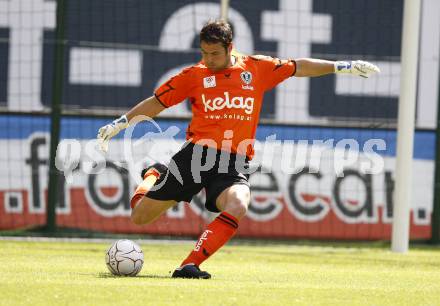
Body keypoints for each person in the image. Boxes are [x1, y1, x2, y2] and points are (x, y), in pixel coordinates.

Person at [97, 19, 379, 279]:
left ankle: (189, 265)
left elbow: (299, 66)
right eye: (204, 53)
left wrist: (340, 66)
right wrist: (120, 123)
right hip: (195, 156)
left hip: (234, 162)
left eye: (214, 54)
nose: (208, 60)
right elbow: (156, 103)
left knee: (239, 203)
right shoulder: (194, 75)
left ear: (230, 47)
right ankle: (153, 175)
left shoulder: (256, 68)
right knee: (140, 216)